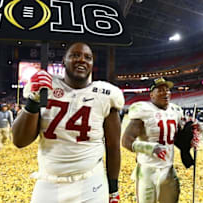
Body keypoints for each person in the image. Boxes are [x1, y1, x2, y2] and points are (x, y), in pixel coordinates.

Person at [12, 42, 124, 203]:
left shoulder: (106, 94)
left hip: (91, 182)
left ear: (92, 64)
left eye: (88, 57)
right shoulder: (47, 87)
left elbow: (113, 146)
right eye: (75, 55)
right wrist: (34, 100)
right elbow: (19, 141)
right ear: (64, 60)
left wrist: (113, 190)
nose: (82, 60)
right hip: (49, 182)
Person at [122, 77, 201, 203]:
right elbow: (126, 141)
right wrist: (151, 148)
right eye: (160, 90)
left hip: (168, 168)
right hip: (148, 169)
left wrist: (192, 133)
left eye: (167, 90)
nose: (166, 93)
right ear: (151, 94)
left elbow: (179, 138)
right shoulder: (144, 110)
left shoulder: (175, 111)